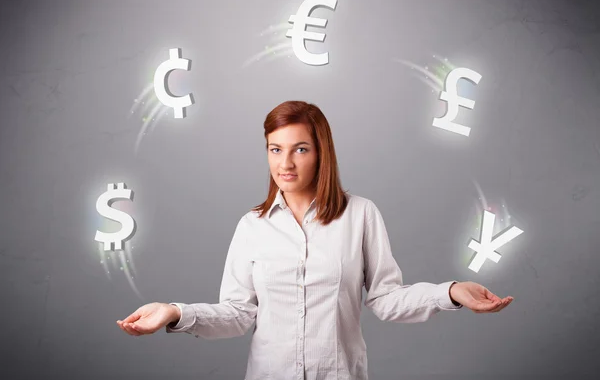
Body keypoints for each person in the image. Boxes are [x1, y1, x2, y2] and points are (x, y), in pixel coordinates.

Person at [117, 101, 513, 379]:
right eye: (276, 149)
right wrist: (174, 312)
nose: (285, 163)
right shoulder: (251, 226)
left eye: (300, 149)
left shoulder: (360, 214)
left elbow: (386, 299)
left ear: (321, 153)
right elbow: (238, 314)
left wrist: (451, 292)